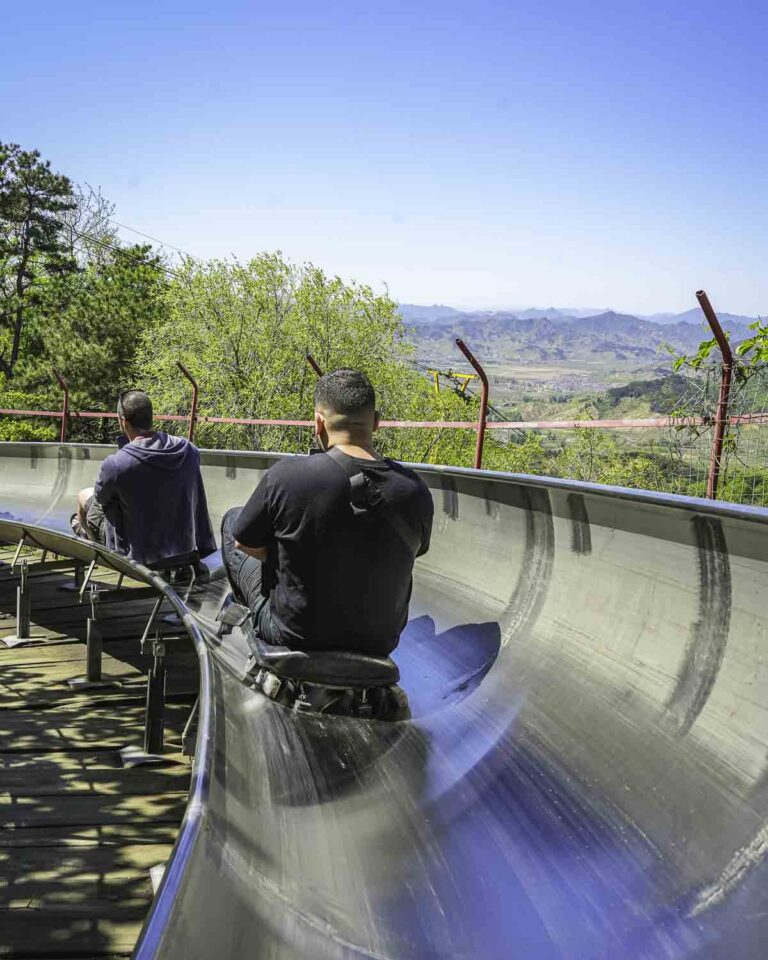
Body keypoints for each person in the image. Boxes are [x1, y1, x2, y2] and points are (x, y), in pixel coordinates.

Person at [221, 368, 434, 659]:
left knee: (233, 521)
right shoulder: (415, 489)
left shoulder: (286, 476)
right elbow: (414, 550)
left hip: (295, 633)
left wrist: (289, 555)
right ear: (376, 423)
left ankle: (253, 625)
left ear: (319, 423)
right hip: (379, 640)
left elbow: (245, 544)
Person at [72, 389, 216, 568]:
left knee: (83, 497)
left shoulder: (116, 464)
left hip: (138, 558)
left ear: (123, 422)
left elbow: (101, 500)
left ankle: (90, 541)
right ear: (151, 417)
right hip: (184, 551)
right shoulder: (189, 450)